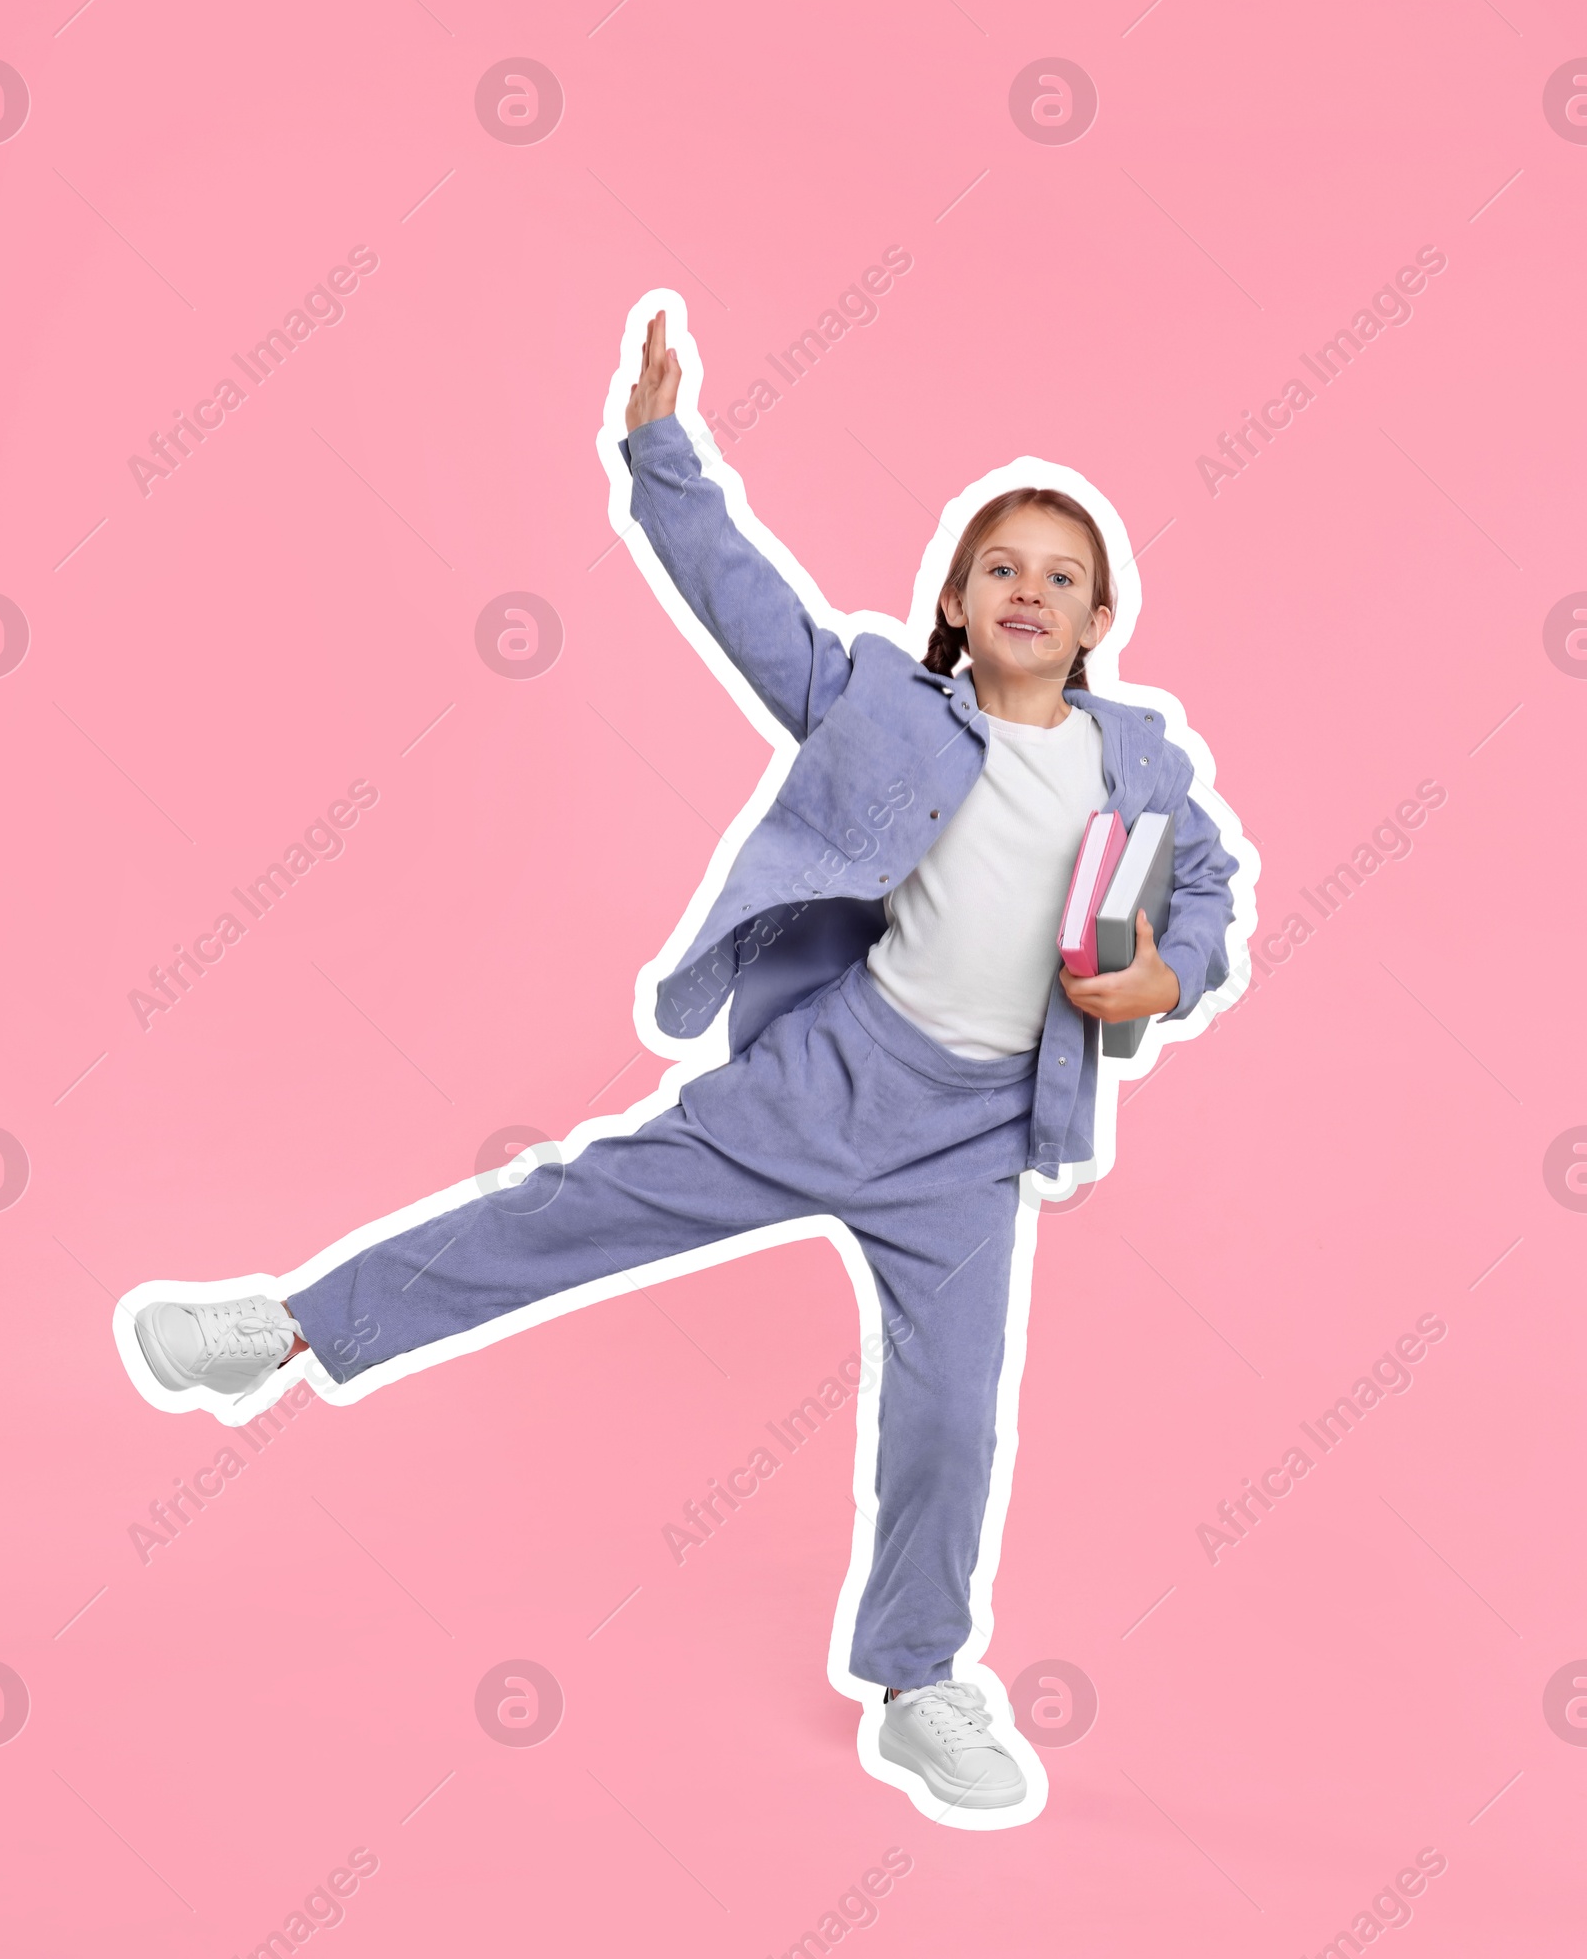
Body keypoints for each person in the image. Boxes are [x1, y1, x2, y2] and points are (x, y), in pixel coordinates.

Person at [126, 310, 1239, 1816]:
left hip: (976, 1142)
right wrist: (665, 456)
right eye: (1000, 568)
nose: (1029, 589)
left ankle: (920, 1685)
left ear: (1100, 617)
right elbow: (750, 610)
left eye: (1061, 573)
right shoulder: (883, 707)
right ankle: (284, 1331)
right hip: (827, 1080)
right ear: (957, 608)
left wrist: (1173, 976)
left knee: (953, 1413)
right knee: (555, 1213)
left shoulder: (1144, 761)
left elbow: (1213, 891)